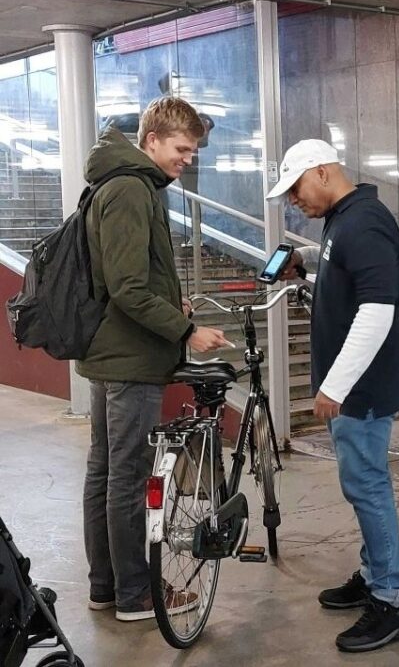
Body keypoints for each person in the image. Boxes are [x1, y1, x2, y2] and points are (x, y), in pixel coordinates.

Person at [78, 96, 229, 621]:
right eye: (182, 149)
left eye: (192, 151)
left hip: (114, 352)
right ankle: (135, 595)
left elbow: (130, 279)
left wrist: (171, 302)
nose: (188, 159)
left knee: (106, 473)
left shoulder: (124, 183)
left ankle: (106, 587)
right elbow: (125, 287)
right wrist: (186, 329)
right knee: (126, 476)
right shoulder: (129, 189)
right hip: (130, 359)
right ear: (152, 140)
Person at [268, 139, 399, 653]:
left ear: (323, 172)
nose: (293, 202)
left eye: (295, 189)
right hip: (358, 383)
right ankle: (373, 572)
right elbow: (348, 278)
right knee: (362, 484)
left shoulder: (364, 222)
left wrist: (336, 385)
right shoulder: (345, 220)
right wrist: (306, 269)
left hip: (364, 385)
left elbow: (376, 310)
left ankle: (392, 601)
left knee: (367, 486)